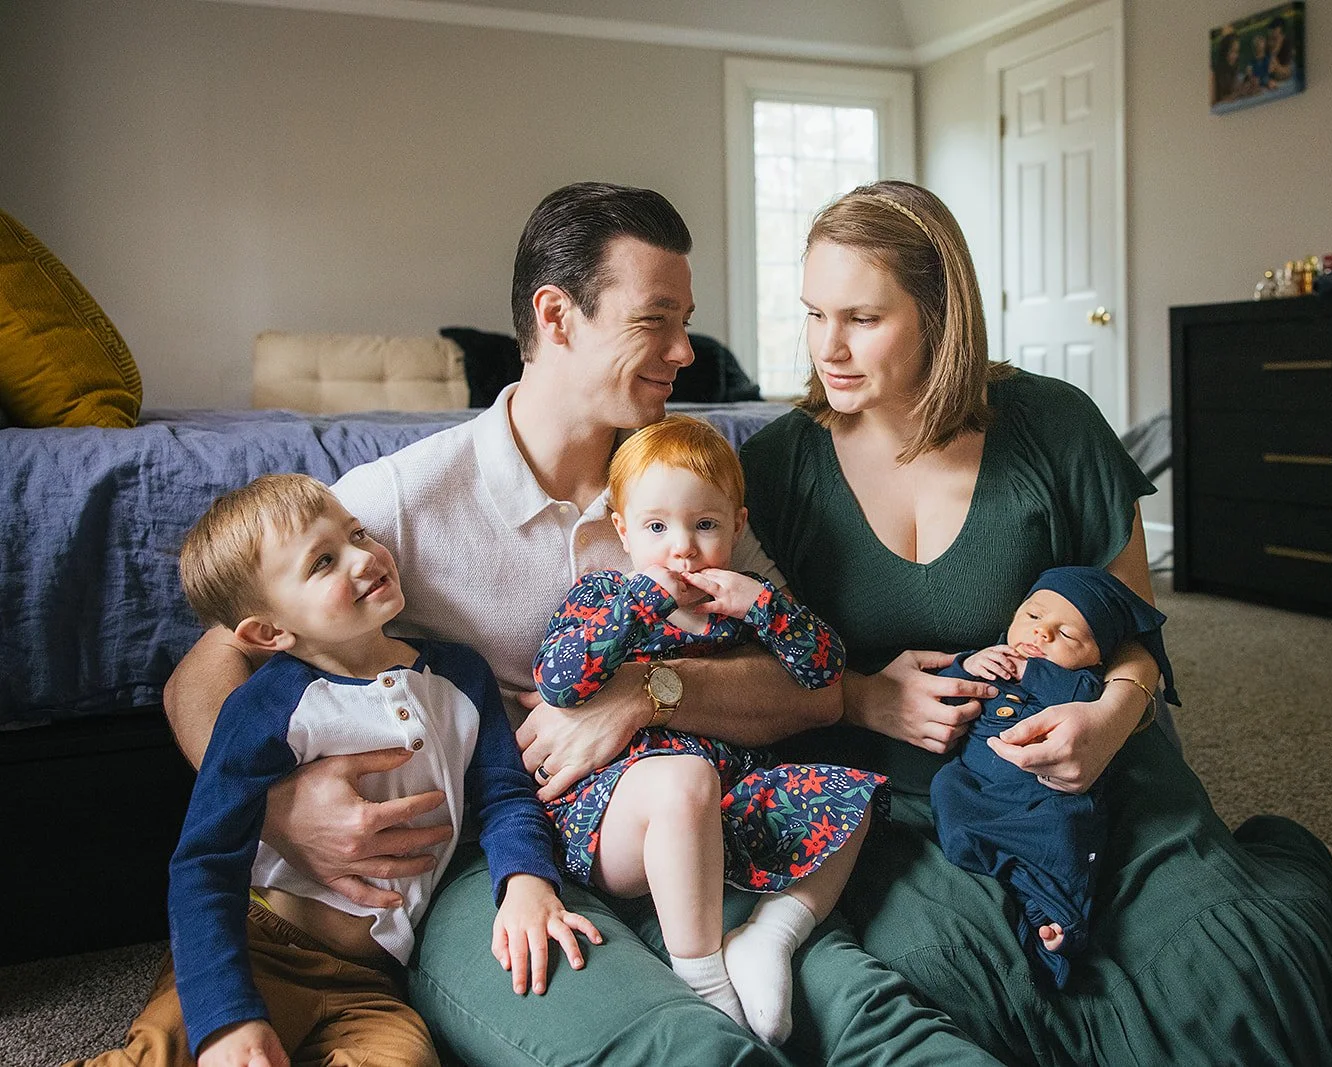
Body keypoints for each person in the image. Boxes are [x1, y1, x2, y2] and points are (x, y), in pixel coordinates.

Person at [164, 182, 1004, 1066]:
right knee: (688, 1045)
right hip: (501, 859)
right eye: (655, 321)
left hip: (692, 820)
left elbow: (805, 684)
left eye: (687, 320)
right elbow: (205, 674)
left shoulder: (677, 490)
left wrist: (645, 694)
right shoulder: (391, 508)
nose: (684, 351)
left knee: (864, 1011)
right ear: (556, 316)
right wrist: (277, 808)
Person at [739, 180, 1332, 1064]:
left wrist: (1107, 721)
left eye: (861, 318)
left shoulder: (1053, 425)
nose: (827, 348)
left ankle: (1274, 865)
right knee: (971, 1002)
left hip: (1088, 765)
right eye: (812, 314)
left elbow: (1134, 630)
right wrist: (860, 698)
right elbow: (749, 665)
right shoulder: (778, 468)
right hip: (907, 798)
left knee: (1249, 1003)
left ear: (940, 314)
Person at [82, 475, 596, 1067]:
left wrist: (527, 881)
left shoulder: (460, 675)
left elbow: (505, 795)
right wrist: (227, 1020)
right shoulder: (265, 708)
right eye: (324, 561)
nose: (365, 557)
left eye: (358, 534)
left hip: (372, 979)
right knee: (164, 1055)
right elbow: (205, 863)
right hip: (263, 949)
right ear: (269, 632)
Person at [533, 414, 887, 1043]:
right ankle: (700, 978)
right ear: (622, 529)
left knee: (855, 795)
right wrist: (644, 599)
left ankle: (770, 935)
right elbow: (560, 681)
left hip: (723, 812)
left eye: (704, 525)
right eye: (656, 527)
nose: (683, 548)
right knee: (683, 779)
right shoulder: (605, 597)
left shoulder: (742, 609)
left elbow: (825, 671)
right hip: (618, 815)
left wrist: (766, 607)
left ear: (736, 526)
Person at [929, 565, 1180, 990]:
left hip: (1047, 795)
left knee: (1067, 838)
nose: (1041, 634)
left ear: (1097, 657)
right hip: (977, 782)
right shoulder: (991, 657)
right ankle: (1000, 868)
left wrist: (1031, 673)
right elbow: (943, 687)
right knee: (946, 792)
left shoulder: (1081, 681)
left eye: (1066, 636)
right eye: (1032, 617)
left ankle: (1059, 917)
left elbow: (1082, 697)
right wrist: (966, 663)